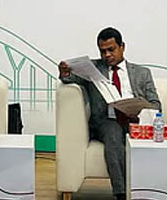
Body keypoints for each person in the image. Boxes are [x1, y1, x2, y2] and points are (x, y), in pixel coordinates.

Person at [58, 27, 161, 200]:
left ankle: (155, 191)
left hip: (135, 122)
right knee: (113, 134)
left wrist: (140, 111)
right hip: (106, 121)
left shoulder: (142, 73)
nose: (107, 55)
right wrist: (64, 73)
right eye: (103, 51)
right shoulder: (93, 69)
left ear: (122, 47)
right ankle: (122, 194)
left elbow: (156, 105)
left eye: (111, 50)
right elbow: (70, 78)